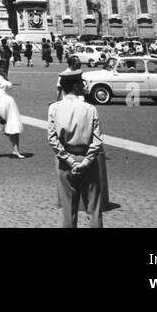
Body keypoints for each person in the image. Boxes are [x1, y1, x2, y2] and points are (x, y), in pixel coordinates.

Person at [46, 70, 104, 228]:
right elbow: (97, 140)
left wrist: (70, 161)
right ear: (75, 85)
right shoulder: (90, 108)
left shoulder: (54, 108)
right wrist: (85, 162)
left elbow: (52, 139)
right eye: (80, 82)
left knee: (69, 210)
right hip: (88, 159)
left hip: (66, 161)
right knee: (94, 208)